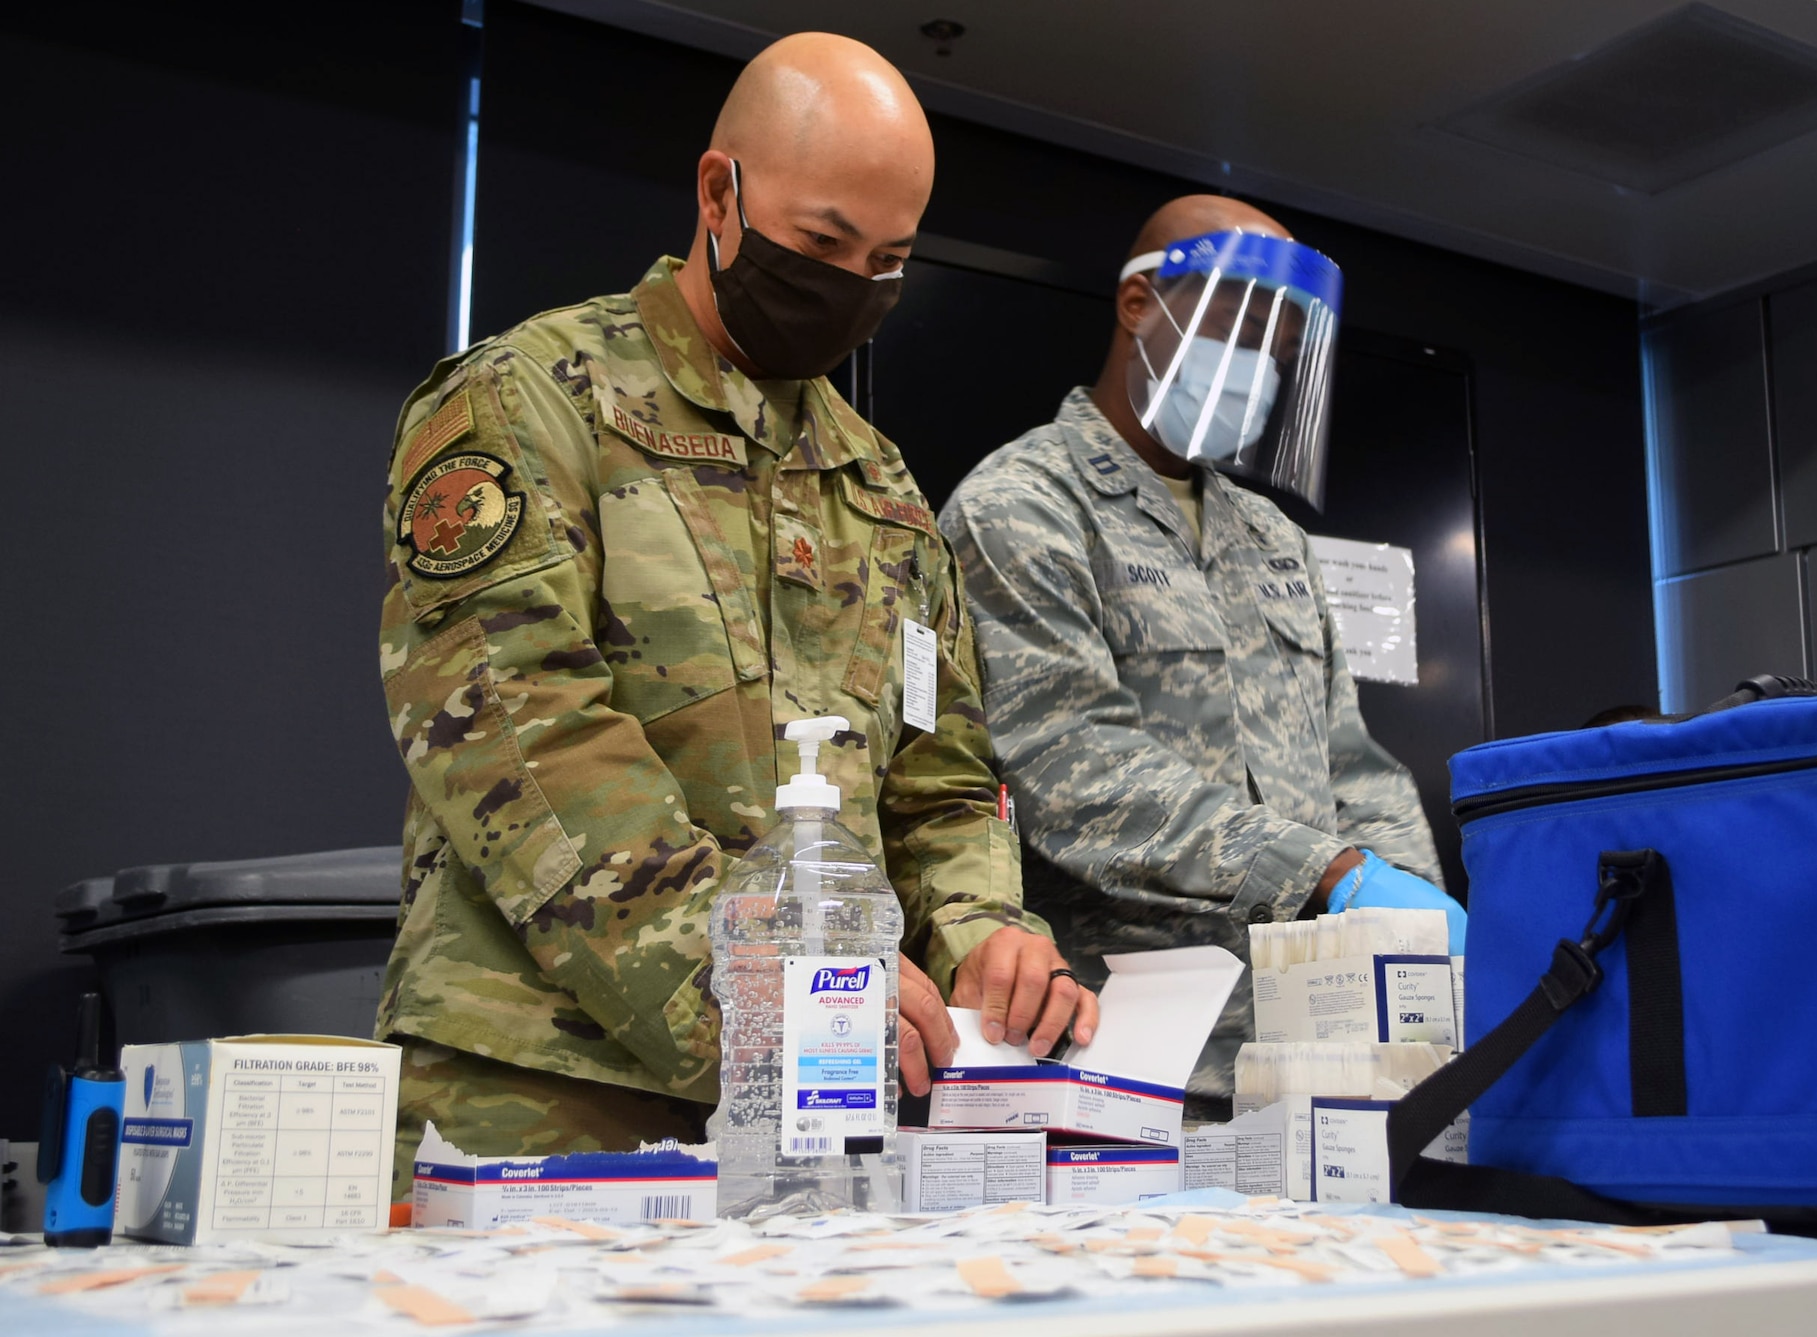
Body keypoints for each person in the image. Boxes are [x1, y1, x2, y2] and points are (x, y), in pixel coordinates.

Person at [373, 32, 1095, 1186]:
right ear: (720, 192)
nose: (852, 284)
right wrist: (760, 982)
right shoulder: (530, 401)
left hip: (819, 1106)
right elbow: (518, 734)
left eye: (887, 259)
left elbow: (939, 774)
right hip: (539, 1100)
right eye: (820, 242)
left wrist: (982, 935)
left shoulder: (882, 486)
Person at [938, 195, 1455, 1121]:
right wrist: (1324, 873)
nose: (1259, 361)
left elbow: (1352, 765)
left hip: (1314, 1062)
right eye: (1240, 323)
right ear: (1139, 305)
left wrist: (1422, 923)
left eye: (1281, 339)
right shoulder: (1023, 504)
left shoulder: (1276, 539)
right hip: (1126, 1065)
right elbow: (1073, 765)